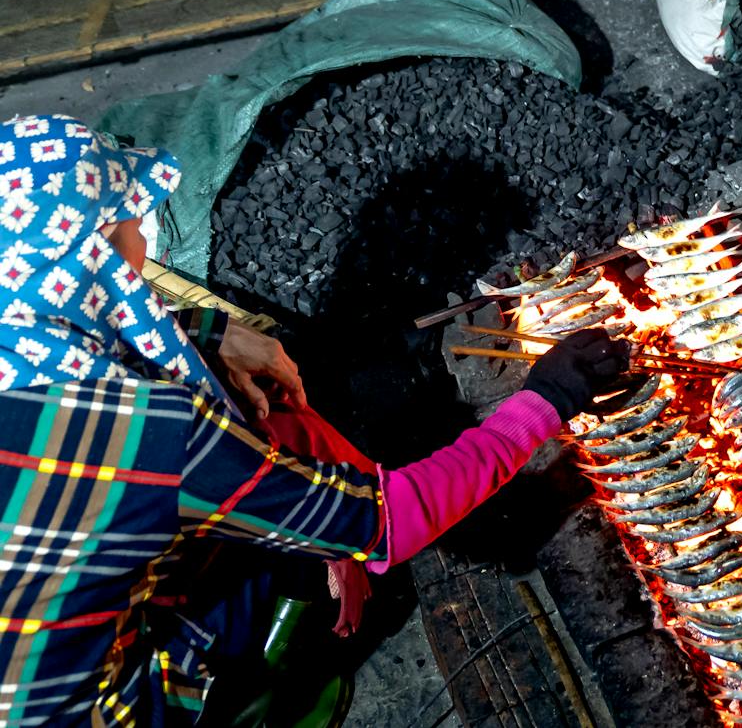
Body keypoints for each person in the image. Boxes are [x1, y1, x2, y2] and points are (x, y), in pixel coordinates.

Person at [0, 114, 634, 726]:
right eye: (136, 225)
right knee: (285, 533)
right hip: (94, 711)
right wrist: (544, 399)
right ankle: (253, 694)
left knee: (277, 441)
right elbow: (390, 522)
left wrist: (211, 330)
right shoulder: (147, 435)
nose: (147, 243)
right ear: (101, 261)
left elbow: (107, 323)